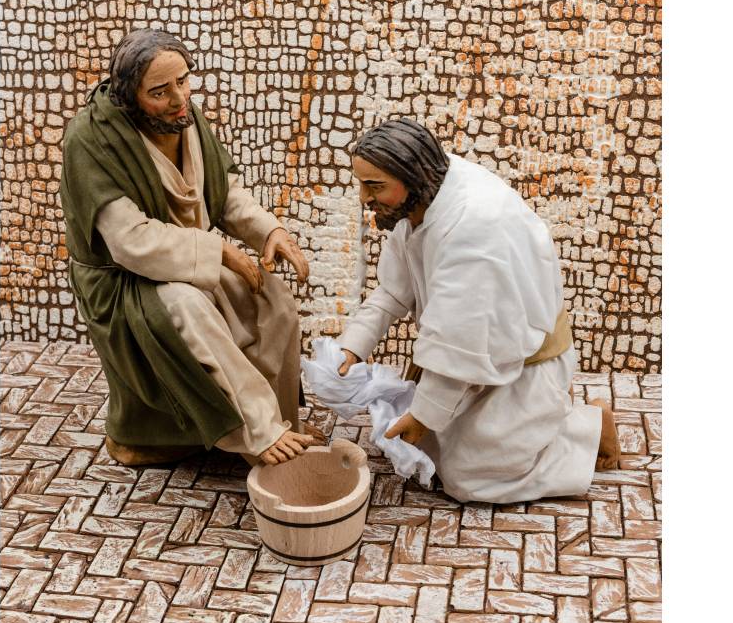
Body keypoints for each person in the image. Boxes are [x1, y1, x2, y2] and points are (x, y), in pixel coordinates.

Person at [60, 29, 319, 467]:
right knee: (187, 307)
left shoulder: (182, 117)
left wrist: (266, 231)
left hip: (188, 257)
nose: (178, 97)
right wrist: (218, 252)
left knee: (272, 299)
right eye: (159, 91)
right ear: (130, 96)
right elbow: (129, 242)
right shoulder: (91, 141)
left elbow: (219, 192)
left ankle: (280, 420)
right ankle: (256, 430)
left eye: (183, 80)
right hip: (127, 281)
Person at [334, 118, 621, 503]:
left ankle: (584, 429)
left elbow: (460, 338)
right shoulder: (419, 202)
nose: (363, 198)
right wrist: (352, 347)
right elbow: (393, 290)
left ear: (411, 176)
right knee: (431, 449)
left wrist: (424, 417)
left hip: (520, 365)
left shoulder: (473, 227)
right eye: (362, 184)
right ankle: (534, 421)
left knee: (471, 480)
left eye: (374, 186)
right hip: (476, 355)